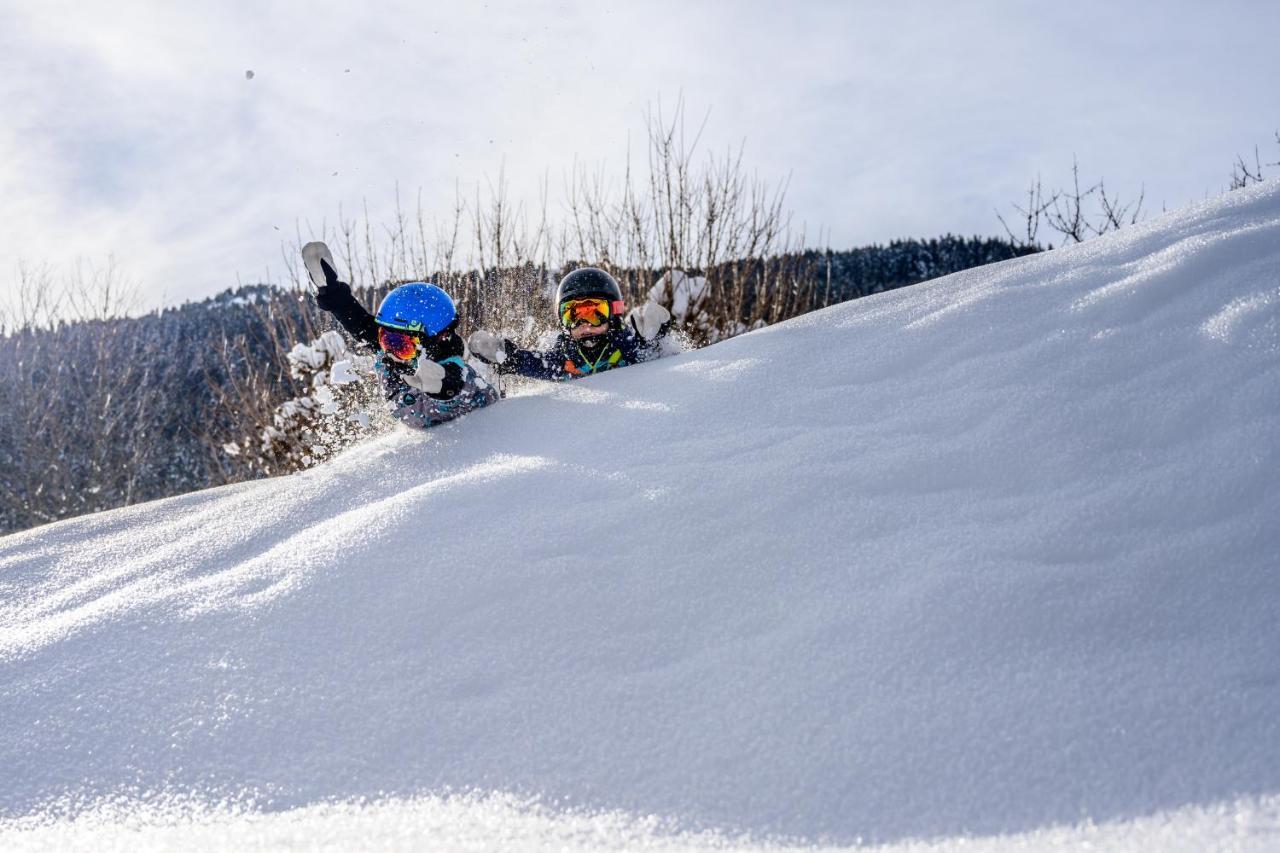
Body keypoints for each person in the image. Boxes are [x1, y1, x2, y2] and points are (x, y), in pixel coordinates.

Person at [303, 242, 497, 429]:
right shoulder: (392, 347)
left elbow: (455, 381)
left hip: (468, 432)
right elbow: (359, 323)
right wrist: (332, 293)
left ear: (433, 342)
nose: (388, 351)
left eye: (399, 345)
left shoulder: (447, 361)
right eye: (385, 338)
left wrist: (444, 389)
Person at [466, 267, 673, 381]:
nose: (585, 324)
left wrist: (654, 336)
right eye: (573, 316)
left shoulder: (625, 345)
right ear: (562, 321)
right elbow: (536, 362)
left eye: (595, 313)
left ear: (614, 313)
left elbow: (649, 352)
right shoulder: (564, 358)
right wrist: (507, 356)